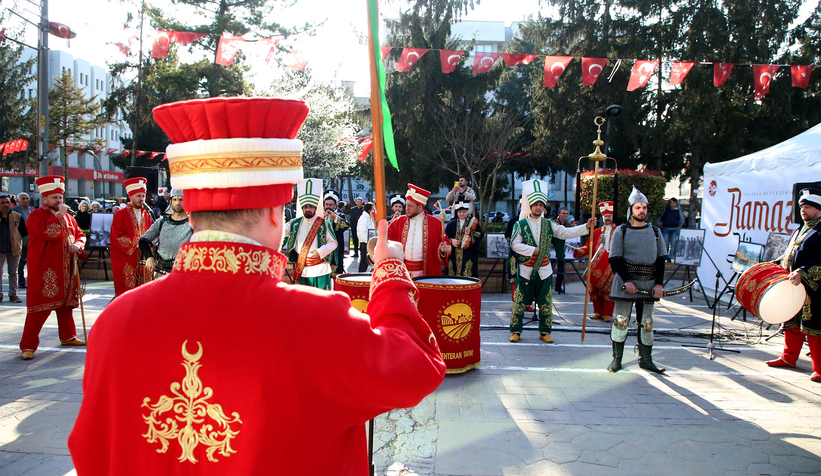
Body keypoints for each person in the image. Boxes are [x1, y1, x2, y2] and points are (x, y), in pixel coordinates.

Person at [68, 96, 446, 475]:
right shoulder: (316, 319)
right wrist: (390, 270)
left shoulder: (115, 322)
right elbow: (416, 367)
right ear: (274, 211)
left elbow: (90, 451)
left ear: (193, 213)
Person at [509, 180, 594, 343]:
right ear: (531, 206)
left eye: (541, 205)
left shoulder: (550, 225)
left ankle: (544, 331)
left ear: (544, 208)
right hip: (526, 270)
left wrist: (586, 227)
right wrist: (534, 250)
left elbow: (566, 233)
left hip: (544, 270)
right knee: (519, 302)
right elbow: (514, 244)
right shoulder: (520, 224)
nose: (538, 207)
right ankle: (516, 331)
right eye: (536, 204)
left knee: (546, 303)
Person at [19, 176, 86, 360]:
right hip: (45, 270)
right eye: (55, 198)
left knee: (66, 306)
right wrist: (58, 216)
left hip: (66, 270)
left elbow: (80, 235)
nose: (59, 201)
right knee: (39, 308)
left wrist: (78, 245)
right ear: (45, 199)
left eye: (60, 198)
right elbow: (50, 233)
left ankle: (68, 336)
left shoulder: (69, 218)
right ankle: (28, 345)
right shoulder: (36, 216)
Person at [606, 186, 668, 374]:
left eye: (644, 208)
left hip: (648, 284)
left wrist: (658, 284)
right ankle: (617, 360)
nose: (642, 211)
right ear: (631, 209)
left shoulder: (655, 232)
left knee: (647, 322)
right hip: (626, 284)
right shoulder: (621, 231)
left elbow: (661, 260)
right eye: (638, 207)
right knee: (621, 321)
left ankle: (646, 360)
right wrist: (627, 280)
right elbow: (615, 259)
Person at [766, 188, 821, 382]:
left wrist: (802, 271)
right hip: (794, 284)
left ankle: (820, 369)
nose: (803, 210)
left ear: (819, 210)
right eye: (802, 207)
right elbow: (791, 253)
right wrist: (774, 265)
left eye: (807, 207)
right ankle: (788, 358)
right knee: (791, 323)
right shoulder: (801, 228)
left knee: (814, 328)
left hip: (815, 287)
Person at [387, 183, 450, 277]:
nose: (406, 209)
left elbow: (445, 245)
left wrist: (443, 250)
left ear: (420, 207)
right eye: (406, 205)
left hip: (427, 274)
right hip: (403, 273)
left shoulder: (435, 223)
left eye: (410, 206)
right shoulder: (398, 222)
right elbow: (386, 240)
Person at [286, 178, 338, 290]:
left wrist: (320, 252)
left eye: (310, 207)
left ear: (315, 207)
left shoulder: (324, 223)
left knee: (321, 302)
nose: (308, 209)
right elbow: (280, 231)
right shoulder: (295, 223)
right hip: (302, 268)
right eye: (305, 207)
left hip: (320, 268)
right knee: (303, 302)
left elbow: (333, 243)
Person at [573, 201, 617, 322]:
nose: (607, 218)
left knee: (608, 288)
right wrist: (581, 250)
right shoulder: (597, 232)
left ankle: (607, 313)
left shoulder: (619, 231)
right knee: (596, 288)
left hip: (611, 264)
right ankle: (597, 311)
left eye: (609, 216)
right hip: (597, 263)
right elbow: (588, 246)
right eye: (605, 216)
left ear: (613, 217)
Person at [110, 177, 155, 297]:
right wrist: (138, 242)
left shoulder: (146, 214)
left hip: (143, 260)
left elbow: (152, 234)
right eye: (138, 196)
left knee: (143, 293)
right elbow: (117, 237)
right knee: (127, 294)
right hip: (127, 260)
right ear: (130, 196)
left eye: (143, 196)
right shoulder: (121, 214)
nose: (142, 199)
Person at [139, 190, 192, 276]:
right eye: (174, 199)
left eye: (181, 199)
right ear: (170, 201)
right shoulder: (161, 222)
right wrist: (149, 257)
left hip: (185, 272)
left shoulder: (193, 224)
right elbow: (143, 241)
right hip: (162, 271)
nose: (178, 203)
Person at [0, 193, 27, 303]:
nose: (6, 205)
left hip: (14, 247)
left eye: (7, 202)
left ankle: (13, 294)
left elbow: (24, 233)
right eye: (2, 203)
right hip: (0, 249)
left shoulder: (17, 216)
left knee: (13, 272)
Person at [445, 200, 484, 277]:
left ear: (467, 212)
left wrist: (470, 233)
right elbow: (444, 237)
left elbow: (480, 235)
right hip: (453, 254)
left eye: (464, 211)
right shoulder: (451, 224)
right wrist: (452, 241)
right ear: (457, 212)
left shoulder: (473, 223)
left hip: (468, 254)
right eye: (460, 212)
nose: (462, 213)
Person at [11, 192, 34, 289]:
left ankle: (31, 280)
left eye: (26, 198)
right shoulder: (14, 211)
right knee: (21, 262)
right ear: (18, 200)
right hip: (21, 240)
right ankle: (21, 281)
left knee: (31, 262)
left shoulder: (32, 210)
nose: (25, 200)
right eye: (23, 199)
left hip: (32, 240)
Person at [323, 190, 349, 276]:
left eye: (331, 204)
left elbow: (345, 226)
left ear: (335, 205)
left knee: (336, 271)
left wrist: (334, 217)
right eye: (326, 204)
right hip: (322, 248)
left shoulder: (339, 215)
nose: (328, 206)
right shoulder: (319, 214)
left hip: (335, 249)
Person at [551, 207, 571, 295]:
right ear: (559, 214)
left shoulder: (568, 224)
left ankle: (558, 287)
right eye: (563, 213)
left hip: (563, 251)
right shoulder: (553, 223)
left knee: (561, 269)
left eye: (566, 213)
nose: (565, 215)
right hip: (553, 250)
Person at [356, 202, 375, 272]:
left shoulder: (368, 217)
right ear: (369, 210)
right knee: (364, 259)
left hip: (369, 241)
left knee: (367, 260)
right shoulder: (364, 218)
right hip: (365, 242)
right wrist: (367, 241)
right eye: (373, 209)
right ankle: (360, 273)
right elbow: (362, 231)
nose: (374, 210)